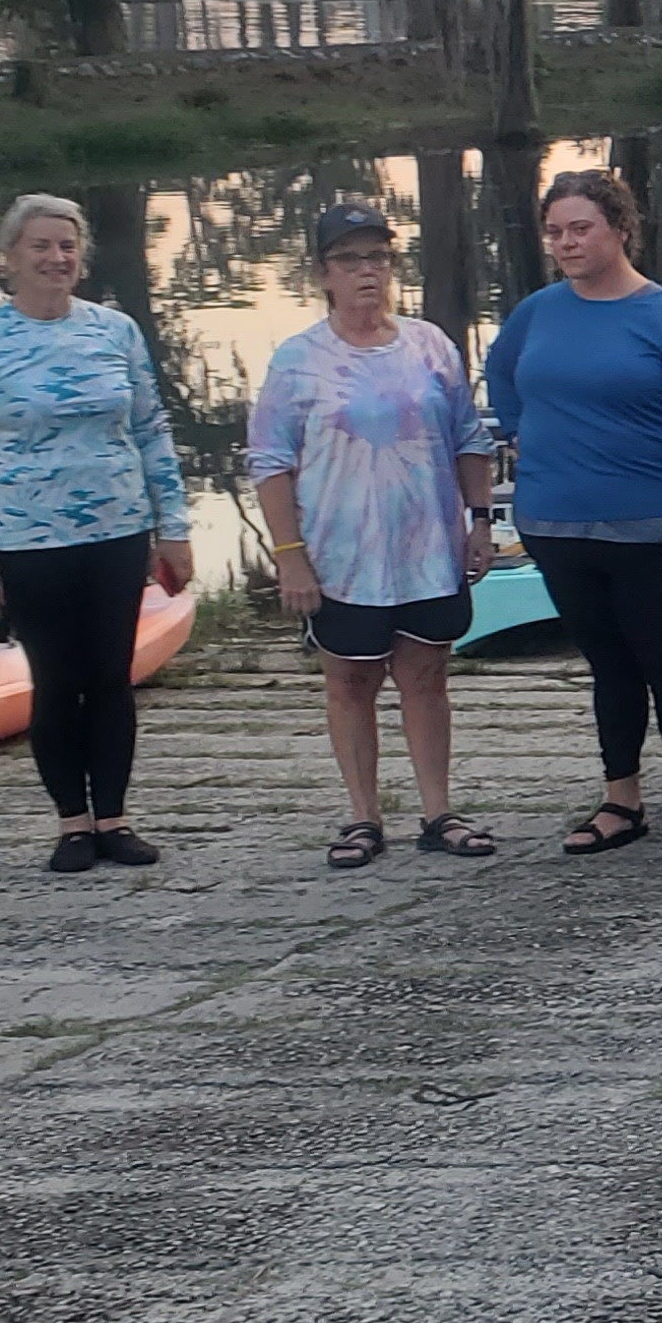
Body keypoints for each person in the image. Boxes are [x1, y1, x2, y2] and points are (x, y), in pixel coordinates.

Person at [487, 172, 662, 873]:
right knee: (609, 666)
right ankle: (622, 800)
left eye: (580, 228)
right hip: (557, 528)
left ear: (620, 229)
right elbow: (501, 374)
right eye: (555, 231)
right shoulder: (537, 313)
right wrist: (527, 435)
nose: (565, 243)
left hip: (655, 533)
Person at [0, 193, 196, 873]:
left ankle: (114, 817)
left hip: (116, 531)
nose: (57, 259)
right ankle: (72, 823)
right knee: (56, 679)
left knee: (111, 675)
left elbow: (150, 431)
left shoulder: (115, 331)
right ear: (10, 258)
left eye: (67, 246)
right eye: (41, 247)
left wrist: (173, 526)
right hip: (26, 541)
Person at [248, 201, 501, 868]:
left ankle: (437, 810)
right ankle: (363, 817)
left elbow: (470, 442)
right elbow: (270, 463)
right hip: (340, 557)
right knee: (351, 685)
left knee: (426, 679)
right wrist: (290, 556)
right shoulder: (298, 360)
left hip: (427, 552)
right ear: (324, 273)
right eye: (351, 260)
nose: (368, 271)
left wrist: (481, 523)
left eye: (379, 257)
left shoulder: (431, 345)